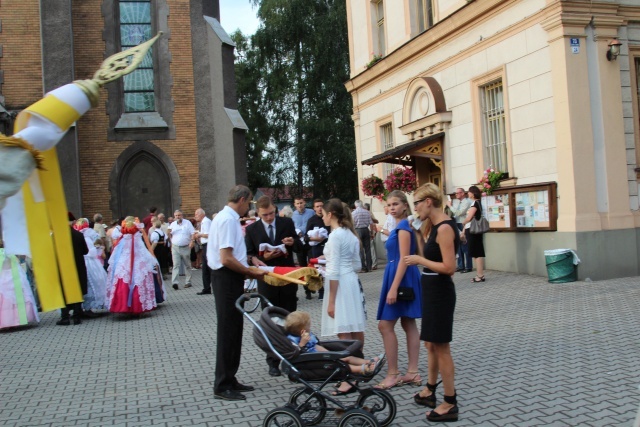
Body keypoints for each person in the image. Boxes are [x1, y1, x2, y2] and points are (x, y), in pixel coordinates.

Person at [405, 183, 460, 422]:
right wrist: (418, 236)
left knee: (442, 348)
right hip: (431, 290)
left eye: (417, 202)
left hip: (440, 292)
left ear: (429, 201)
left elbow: (450, 268)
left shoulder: (445, 228)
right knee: (430, 345)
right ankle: (429, 389)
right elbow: (429, 256)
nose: (415, 207)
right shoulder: (435, 226)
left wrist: (419, 259)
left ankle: (450, 402)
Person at [208, 185, 267, 401]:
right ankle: (222, 384)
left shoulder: (228, 218)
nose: (248, 207)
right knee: (227, 331)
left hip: (231, 277)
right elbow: (226, 258)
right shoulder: (226, 219)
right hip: (225, 277)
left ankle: (230, 377)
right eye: (250, 202)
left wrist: (247, 266)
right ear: (242, 199)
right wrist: (249, 271)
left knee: (234, 329)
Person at [245, 195, 302, 377]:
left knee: (290, 318)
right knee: (270, 319)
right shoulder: (252, 228)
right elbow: (248, 253)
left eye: (271, 213)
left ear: (275, 209)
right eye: (265, 215)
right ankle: (272, 361)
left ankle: (292, 357)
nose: (269, 217)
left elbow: (300, 246)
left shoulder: (286, 223)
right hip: (267, 278)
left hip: (286, 276)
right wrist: (257, 258)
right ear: (258, 213)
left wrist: (293, 243)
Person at [375, 190, 422, 390]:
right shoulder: (400, 226)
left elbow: (405, 258)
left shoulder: (403, 227)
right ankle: (412, 372)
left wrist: (393, 288)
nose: (392, 208)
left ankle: (393, 374)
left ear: (405, 205)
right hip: (401, 274)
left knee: (385, 326)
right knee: (408, 323)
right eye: (389, 205)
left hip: (400, 276)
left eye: (396, 204)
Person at [321, 198, 368, 395]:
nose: (322, 217)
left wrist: (331, 301)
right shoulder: (350, 234)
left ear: (330, 214)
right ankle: (359, 370)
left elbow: (332, 271)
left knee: (343, 333)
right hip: (351, 281)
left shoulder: (335, 237)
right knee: (355, 328)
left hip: (340, 284)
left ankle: (349, 378)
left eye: (323, 214)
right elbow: (357, 264)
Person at [284, 310, 382, 375]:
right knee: (341, 365)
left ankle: (369, 362)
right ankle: (363, 369)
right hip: (312, 360)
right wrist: (302, 343)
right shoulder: (293, 340)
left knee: (345, 358)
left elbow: (317, 345)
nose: (310, 327)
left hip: (321, 354)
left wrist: (327, 352)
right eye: (308, 326)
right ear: (302, 329)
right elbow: (295, 352)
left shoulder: (307, 335)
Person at [106, 217, 159, 314]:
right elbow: (143, 250)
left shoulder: (122, 238)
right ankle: (137, 307)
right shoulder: (137, 237)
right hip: (137, 261)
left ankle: (123, 306)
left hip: (124, 262)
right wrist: (151, 260)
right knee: (137, 279)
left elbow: (117, 251)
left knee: (124, 279)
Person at [0, 247, 40, 329]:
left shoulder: (9, 250)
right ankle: (16, 320)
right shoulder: (10, 250)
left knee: (12, 298)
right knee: (11, 298)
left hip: (12, 275)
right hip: (10, 275)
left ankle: (15, 320)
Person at [74, 218, 108, 313]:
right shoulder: (89, 235)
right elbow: (97, 246)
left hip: (84, 261)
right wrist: (99, 249)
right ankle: (87, 307)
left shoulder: (78, 235)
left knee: (89, 283)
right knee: (94, 281)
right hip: (90, 261)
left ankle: (83, 307)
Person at [305, 199, 330, 300]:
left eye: (321, 206)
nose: (320, 208)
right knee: (318, 270)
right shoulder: (312, 220)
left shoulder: (328, 218)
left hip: (328, 246)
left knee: (328, 269)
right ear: (314, 208)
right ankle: (321, 291)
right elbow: (306, 237)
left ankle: (330, 289)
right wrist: (316, 238)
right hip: (316, 248)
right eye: (317, 206)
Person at [462, 185, 486, 282]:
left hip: (473, 230)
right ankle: (479, 274)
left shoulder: (475, 203)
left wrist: (463, 222)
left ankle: (480, 275)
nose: (468, 193)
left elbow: (469, 217)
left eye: (469, 192)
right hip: (474, 230)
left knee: (476, 253)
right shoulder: (478, 203)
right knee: (477, 252)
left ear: (473, 193)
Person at [167, 210, 195, 289]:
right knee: (176, 265)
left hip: (185, 246)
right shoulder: (172, 224)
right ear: (174, 216)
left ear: (182, 215)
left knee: (187, 265)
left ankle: (188, 282)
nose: (177, 217)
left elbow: (193, 233)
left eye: (179, 215)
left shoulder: (187, 223)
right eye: (176, 216)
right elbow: (169, 235)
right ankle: (175, 282)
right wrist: (168, 233)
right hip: (175, 247)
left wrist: (192, 241)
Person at [448, 187, 472, 273]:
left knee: (465, 245)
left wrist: (450, 206)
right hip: (457, 223)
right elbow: (455, 214)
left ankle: (468, 266)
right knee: (459, 246)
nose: (456, 194)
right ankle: (461, 265)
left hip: (463, 224)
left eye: (458, 193)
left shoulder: (467, 202)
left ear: (462, 193)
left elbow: (459, 213)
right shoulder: (458, 202)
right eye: (456, 193)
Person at [292, 197, 314, 266]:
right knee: (301, 263)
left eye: (301, 203)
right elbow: (291, 227)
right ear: (294, 204)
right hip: (299, 242)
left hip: (310, 240)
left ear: (304, 203)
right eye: (297, 203)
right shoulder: (292, 215)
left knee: (312, 262)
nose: (299, 205)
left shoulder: (311, 212)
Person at [195, 208, 213, 295]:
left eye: (196, 214)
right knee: (205, 268)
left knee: (208, 268)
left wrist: (199, 234)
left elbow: (209, 234)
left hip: (208, 245)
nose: (195, 216)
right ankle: (206, 288)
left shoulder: (206, 222)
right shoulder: (203, 222)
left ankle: (209, 287)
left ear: (202, 214)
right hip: (205, 245)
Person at [352, 200, 373, 273]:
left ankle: (363, 267)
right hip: (366, 230)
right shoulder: (367, 212)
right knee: (368, 249)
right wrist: (372, 232)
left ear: (355, 205)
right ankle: (369, 266)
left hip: (358, 230)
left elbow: (352, 224)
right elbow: (371, 223)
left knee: (360, 249)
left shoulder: (353, 213)